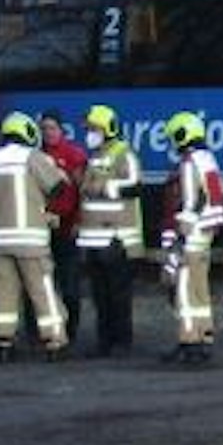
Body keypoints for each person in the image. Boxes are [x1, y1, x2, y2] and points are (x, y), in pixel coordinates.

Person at [0, 112, 70, 361]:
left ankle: (3, 341)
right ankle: (55, 341)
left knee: (4, 293)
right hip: (31, 240)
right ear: (28, 133)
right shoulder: (33, 158)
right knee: (42, 291)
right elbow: (58, 187)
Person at [76, 103, 143, 358]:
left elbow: (135, 186)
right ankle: (104, 342)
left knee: (118, 296)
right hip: (94, 240)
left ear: (107, 129)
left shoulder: (123, 153)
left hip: (117, 239)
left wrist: (106, 188)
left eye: (93, 128)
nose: (89, 133)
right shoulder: (94, 156)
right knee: (100, 297)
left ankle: (121, 342)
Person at [160, 111, 223, 365]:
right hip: (206, 235)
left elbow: (190, 200)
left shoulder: (189, 162)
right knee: (200, 292)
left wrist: (178, 239)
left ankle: (189, 341)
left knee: (185, 293)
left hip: (192, 236)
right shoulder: (208, 159)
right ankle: (204, 335)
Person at [36, 111, 87, 344]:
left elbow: (81, 190)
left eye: (52, 128)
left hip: (67, 227)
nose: (48, 133)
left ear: (61, 130)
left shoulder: (73, 155)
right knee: (40, 283)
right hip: (42, 228)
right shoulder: (35, 156)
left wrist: (79, 220)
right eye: (44, 129)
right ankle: (40, 331)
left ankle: (71, 330)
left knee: (69, 285)